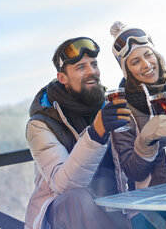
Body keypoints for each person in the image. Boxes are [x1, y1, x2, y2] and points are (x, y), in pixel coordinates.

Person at [24, 37, 132, 229]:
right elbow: (63, 186)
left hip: (114, 208)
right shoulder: (40, 124)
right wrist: (97, 133)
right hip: (63, 217)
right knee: (77, 198)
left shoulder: (109, 104)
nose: (92, 71)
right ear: (62, 78)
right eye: (81, 67)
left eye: (94, 64)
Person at [109, 21, 166, 228]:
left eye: (148, 55)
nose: (145, 64)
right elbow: (134, 173)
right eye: (135, 61)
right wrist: (146, 141)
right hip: (155, 198)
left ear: (157, 54)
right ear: (126, 70)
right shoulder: (122, 106)